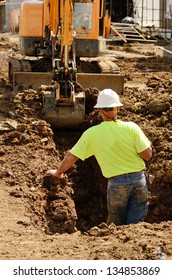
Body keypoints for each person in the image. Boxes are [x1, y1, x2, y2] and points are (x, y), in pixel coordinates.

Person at [45, 89, 152, 226]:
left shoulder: (92, 134)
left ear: (100, 110)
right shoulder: (132, 128)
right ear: (118, 109)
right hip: (139, 180)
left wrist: (58, 173)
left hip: (117, 183)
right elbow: (148, 155)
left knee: (117, 225)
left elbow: (72, 156)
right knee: (137, 224)